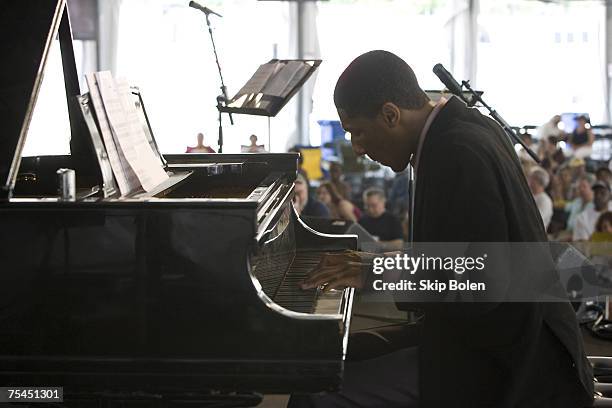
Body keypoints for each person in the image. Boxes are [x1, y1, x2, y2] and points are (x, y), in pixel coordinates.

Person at [291, 50, 592, 408]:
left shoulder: (457, 151)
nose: (357, 148)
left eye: (358, 132)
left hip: (508, 362)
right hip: (486, 336)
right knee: (331, 356)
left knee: (316, 391)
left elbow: (482, 282)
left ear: (390, 114)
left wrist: (380, 272)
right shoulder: (458, 129)